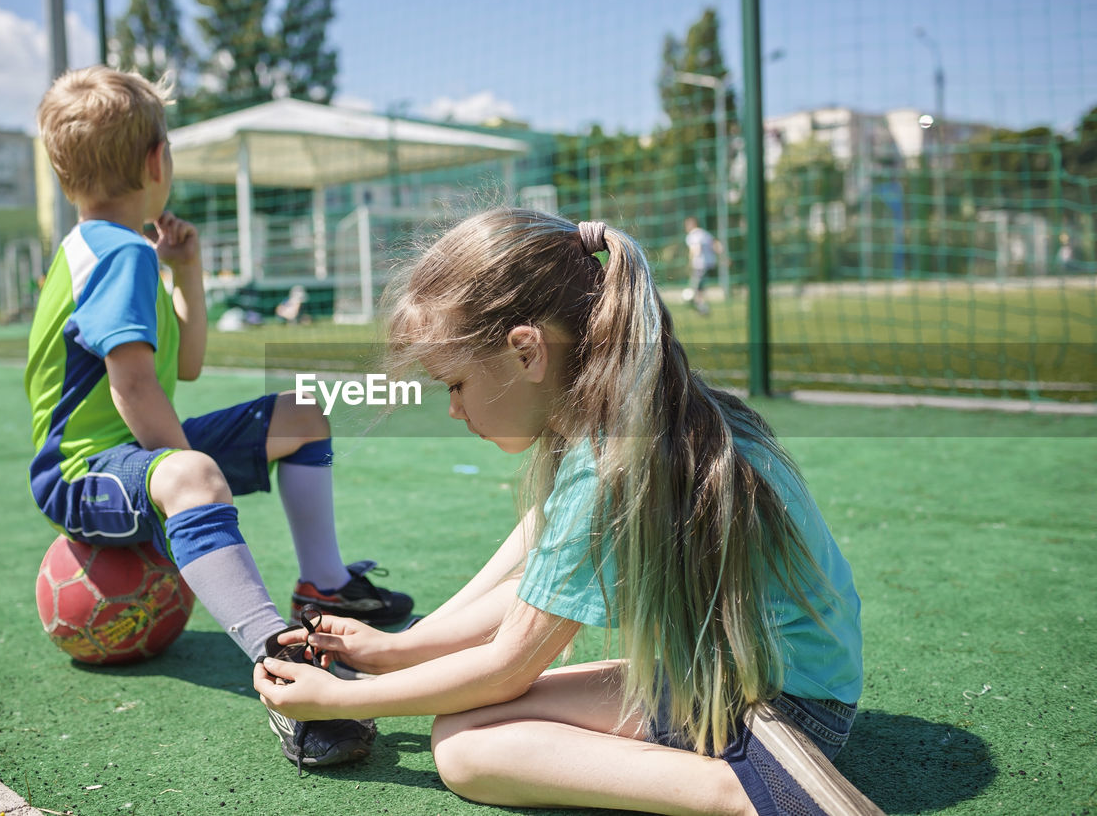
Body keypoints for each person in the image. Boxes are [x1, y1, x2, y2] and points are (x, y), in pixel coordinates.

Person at [255, 209, 879, 815]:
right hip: (767, 677)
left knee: (465, 749)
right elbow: (539, 587)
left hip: (780, 710)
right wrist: (399, 650)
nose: (453, 410)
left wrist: (340, 695)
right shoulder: (633, 418)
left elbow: (507, 665)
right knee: (469, 726)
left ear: (526, 351)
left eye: (455, 385)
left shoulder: (610, 462)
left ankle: (750, 794)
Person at [26, 66, 413, 771]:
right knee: (194, 474)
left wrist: (187, 270)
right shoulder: (115, 255)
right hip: (81, 477)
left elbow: (189, 363)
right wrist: (188, 483)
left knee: (302, 414)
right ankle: (283, 669)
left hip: (133, 459)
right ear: (156, 161)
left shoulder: (120, 251)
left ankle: (322, 584)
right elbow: (135, 388)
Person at [682, 216, 723, 316]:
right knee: (700, 287)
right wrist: (723, 257)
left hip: (699, 264)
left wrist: (691, 261)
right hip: (708, 264)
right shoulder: (704, 233)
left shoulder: (692, 235)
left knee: (696, 287)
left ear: (691, 225)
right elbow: (716, 245)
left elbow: (696, 249)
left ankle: (702, 307)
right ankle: (701, 307)